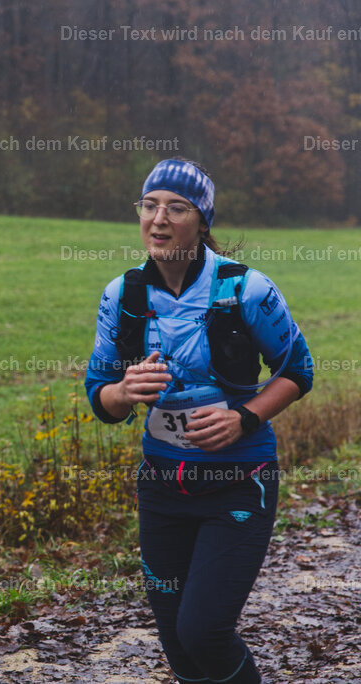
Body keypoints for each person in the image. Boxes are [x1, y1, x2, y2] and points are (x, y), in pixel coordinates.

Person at [84, 158, 313, 684]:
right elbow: (100, 398)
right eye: (149, 205)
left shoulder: (246, 289)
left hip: (238, 482)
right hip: (163, 486)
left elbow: (298, 371)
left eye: (176, 207)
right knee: (178, 648)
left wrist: (244, 417)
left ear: (202, 221)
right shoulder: (122, 297)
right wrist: (123, 391)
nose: (158, 218)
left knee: (204, 631)